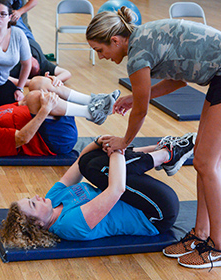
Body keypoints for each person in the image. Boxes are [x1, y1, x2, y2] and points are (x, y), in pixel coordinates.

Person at [86, 6, 221, 269]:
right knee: (205, 163)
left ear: (115, 40)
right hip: (218, 78)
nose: (101, 57)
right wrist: (134, 96)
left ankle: (218, 245)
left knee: (206, 163)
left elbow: (141, 110)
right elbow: (178, 81)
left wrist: (124, 142)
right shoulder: (143, 37)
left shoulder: (137, 55)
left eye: (100, 50)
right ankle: (201, 234)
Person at [0, 133, 196, 248]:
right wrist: (117, 150)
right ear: (39, 224)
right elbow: (116, 189)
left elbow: (78, 164)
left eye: (29, 198)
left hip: (138, 199)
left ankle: (162, 150)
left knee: (88, 162)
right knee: (101, 168)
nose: (36, 197)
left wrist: (98, 142)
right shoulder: (68, 224)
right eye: (33, 204)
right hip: (156, 213)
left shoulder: (52, 199)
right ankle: (168, 153)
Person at [0, 78, 120, 156]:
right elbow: (22, 138)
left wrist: (50, 86)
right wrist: (44, 108)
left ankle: (94, 102)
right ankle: (90, 112)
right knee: (36, 97)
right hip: (55, 140)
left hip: (51, 119)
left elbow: (19, 105)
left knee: (37, 83)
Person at [0, 0, 72, 87]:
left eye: (30, 67)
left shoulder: (14, 62)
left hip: (5, 30)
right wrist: (53, 80)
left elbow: (1, 77)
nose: (32, 62)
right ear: (38, 66)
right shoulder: (42, 62)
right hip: (23, 30)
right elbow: (66, 73)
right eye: (35, 65)